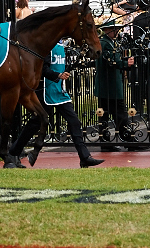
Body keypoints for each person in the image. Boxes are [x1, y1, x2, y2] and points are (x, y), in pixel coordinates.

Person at [9, 41, 104, 168]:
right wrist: (58, 75)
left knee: (74, 122)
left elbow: (61, 67)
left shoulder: (62, 48)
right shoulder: (47, 47)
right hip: (47, 92)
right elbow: (42, 69)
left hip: (60, 92)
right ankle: (13, 152)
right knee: (35, 124)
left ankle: (85, 157)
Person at [95, 18, 135, 152]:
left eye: (117, 28)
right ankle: (127, 140)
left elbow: (114, 60)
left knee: (111, 114)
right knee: (117, 114)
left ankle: (109, 142)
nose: (117, 31)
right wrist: (125, 64)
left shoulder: (111, 42)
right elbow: (109, 62)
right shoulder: (104, 43)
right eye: (114, 29)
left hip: (111, 85)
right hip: (108, 85)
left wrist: (124, 62)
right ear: (106, 30)